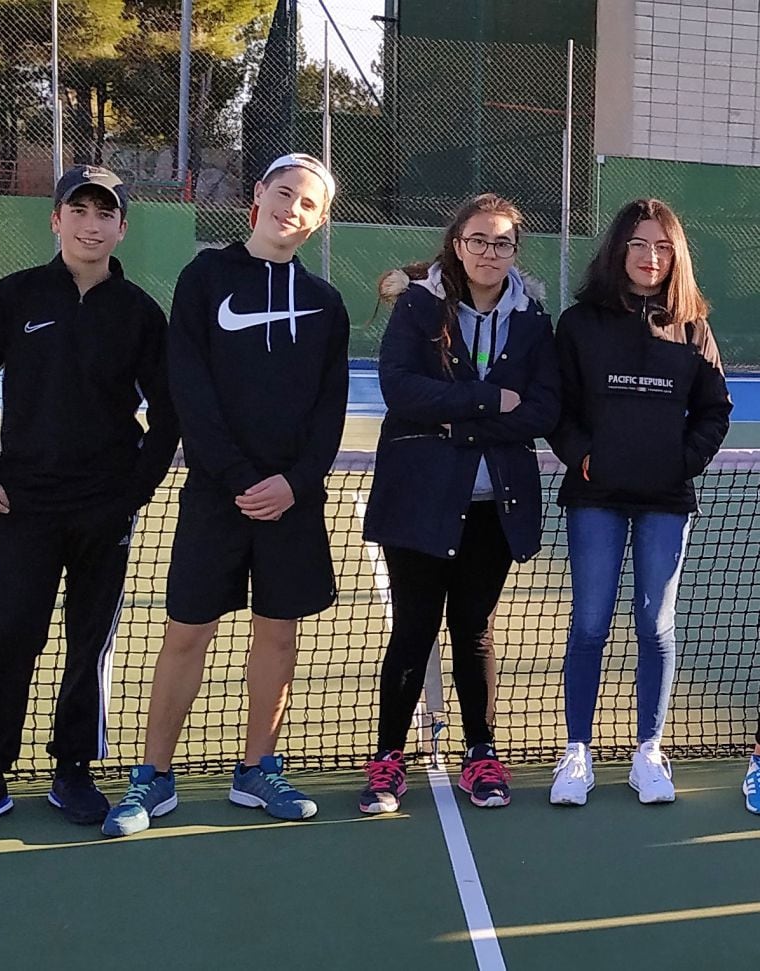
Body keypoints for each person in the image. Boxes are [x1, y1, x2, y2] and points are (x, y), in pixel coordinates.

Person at [0, 165, 179, 838]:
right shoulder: (15, 297)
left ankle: (73, 767)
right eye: (79, 210)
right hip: (25, 504)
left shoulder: (140, 314)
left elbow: (170, 416)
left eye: (105, 214)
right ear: (56, 219)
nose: (91, 224)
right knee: (9, 633)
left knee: (89, 641)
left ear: (122, 227)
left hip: (104, 509)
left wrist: (133, 492)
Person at [100, 153, 349, 838]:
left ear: (319, 219)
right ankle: (153, 776)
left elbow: (328, 412)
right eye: (284, 193)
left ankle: (256, 767)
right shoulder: (205, 278)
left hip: (292, 505)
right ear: (259, 197)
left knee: (278, 636)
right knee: (187, 634)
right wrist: (241, 477)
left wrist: (293, 484)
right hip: (217, 497)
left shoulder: (326, 304)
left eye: (308, 202)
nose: (291, 208)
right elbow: (191, 392)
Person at [358, 193, 560, 813]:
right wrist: (484, 401)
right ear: (457, 243)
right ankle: (388, 759)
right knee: (414, 630)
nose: (489, 253)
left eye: (502, 243)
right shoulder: (420, 305)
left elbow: (543, 408)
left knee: (473, 632)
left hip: (494, 503)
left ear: (514, 251)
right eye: (478, 240)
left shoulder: (531, 320)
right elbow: (400, 389)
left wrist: (459, 421)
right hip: (420, 498)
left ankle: (481, 755)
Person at [548, 198, 731, 807]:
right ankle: (577, 752)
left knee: (654, 625)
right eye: (639, 244)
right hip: (595, 498)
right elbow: (560, 409)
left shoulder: (692, 325)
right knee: (591, 624)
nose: (650, 257)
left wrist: (681, 463)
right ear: (618, 250)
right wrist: (583, 456)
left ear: (674, 255)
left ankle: (648, 750)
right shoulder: (578, 324)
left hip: (666, 502)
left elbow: (715, 409)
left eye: (662, 247)